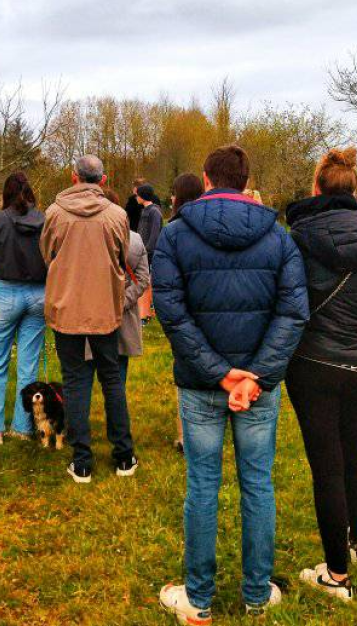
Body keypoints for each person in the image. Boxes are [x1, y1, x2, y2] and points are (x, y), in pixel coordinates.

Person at [155, 145, 309, 622]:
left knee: (203, 484)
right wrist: (248, 373)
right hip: (247, 382)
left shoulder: (176, 235)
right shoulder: (279, 238)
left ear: (206, 179)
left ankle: (199, 600)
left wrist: (230, 374)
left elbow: (171, 312)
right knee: (257, 484)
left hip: (214, 384)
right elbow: (292, 312)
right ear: (246, 180)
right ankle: (256, 594)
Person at [284, 148, 357, 603]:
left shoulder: (299, 235)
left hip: (315, 362)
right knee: (355, 456)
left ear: (317, 187)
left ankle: (337, 575)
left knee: (327, 467)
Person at [40, 155, 136, 483]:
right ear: (103, 181)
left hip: (66, 308)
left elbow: (47, 254)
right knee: (112, 379)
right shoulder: (117, 215)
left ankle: (83, 461)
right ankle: (123, 456)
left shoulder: (54, 214)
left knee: (76, 381)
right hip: (105, 309)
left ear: (73, 177)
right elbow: (123, 257)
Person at [0, 172, 48, 445]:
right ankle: (22, 428)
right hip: (39, 294)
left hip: (6, 291)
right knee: (28, 363)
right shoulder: (44, 219)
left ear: (5, 193)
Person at [87, 188, 150, 387]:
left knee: (84, 376)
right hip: (121, 313)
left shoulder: (84, 238)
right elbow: (142, 279)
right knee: (117, 376)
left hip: (90, 313)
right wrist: (121, 301)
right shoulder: (135, 239)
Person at [169, 172, 205, 454]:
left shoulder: (176, 229)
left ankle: (185, 435)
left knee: (187, 374)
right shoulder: (207, 223)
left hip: (187, 313)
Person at [135, 184, 163, 322]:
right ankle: (146, 313)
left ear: (143, 195)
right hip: (143, 253)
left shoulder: (154, 212)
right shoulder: (145, 211)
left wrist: (146, 251)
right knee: (145, 283)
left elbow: (155, 235)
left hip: (150, 255)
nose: (136, 197)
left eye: (138, 194)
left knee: (146, 284)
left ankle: (145, 315)